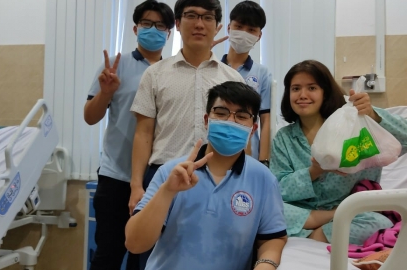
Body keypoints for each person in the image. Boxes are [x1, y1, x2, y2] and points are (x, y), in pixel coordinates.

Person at [126, 81, 287, 270]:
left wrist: (266, 264)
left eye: (242, 116)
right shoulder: (171, 172)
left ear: (252, 129)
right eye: (221, 113)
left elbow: (273, 237)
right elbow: (135, 244)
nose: (230, 121)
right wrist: (167, 192)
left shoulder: (264, 179)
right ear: (206, 120)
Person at [270, 60, 407, 245]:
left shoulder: (353, 124)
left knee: (378, 222)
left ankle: (313, 235)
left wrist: (372, 115)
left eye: (312, 87)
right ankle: (329, 225)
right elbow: (279, 188)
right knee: (267, 208)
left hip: (351, 210)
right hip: (302, 211)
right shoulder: (284, 138)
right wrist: (314, 171)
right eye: (295, 89)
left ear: (325, 92)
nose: (302, 95)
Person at [83, 1, 174, 269]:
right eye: (147, 23)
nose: (153, 30)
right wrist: (106, 93)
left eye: (160, 25)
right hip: (115, 177)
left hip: (156, 179)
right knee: (108, 254)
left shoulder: (171, 70)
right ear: (135, 28)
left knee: (144, 258)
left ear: (169, 32)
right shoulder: (115, 66)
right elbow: (90, 117)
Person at [221, 0, 272, 165]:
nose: (244, 33)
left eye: (251, 30)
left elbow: (265, 120)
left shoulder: (262, 73)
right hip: (215, 146)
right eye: (239, 27)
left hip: (249, 151)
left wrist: (263, 160)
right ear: (229, 28)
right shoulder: (214, 67)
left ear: (259, 36)